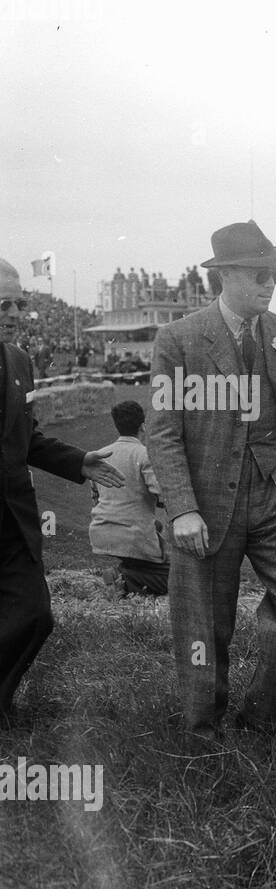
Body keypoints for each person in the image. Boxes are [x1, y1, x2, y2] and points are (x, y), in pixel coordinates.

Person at [145, 220, 276, 744]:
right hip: (204, 500)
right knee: (205, 627)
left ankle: (263, 721)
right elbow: (163, 428)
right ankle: (203, 734)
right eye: (261, 273)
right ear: (225, 276)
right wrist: (182, 508)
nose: (271, 283)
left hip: (275, 492)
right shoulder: (177, 339)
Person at [1, 256, 124, 727]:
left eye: (18, 303)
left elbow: (25, 437)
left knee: (35, 615)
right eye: (3, 304)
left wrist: (77, 461)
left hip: (13, 518)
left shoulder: (19, 361)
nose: (13, 313)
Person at [89, 400, 169, 596]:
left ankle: (125, 574)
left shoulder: (99, 455)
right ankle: (123, 579)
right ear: (143, 425)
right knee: (178, 579)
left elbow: (96, 496)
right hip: (134, 535)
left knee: (154, 534)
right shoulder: (144, 454)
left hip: (102, 531)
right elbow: (163, 494)